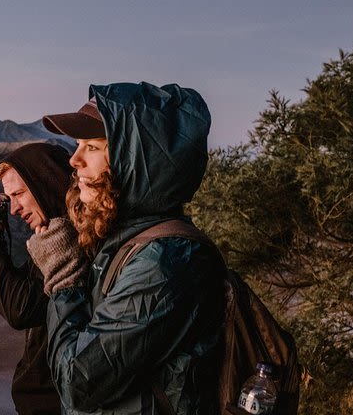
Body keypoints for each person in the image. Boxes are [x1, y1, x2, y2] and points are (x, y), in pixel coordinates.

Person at [27, 82, 226, 414]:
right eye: (77, 145)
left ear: (136, 159)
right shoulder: (123, 241)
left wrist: (64, 279)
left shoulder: (164, 262)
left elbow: (79, 383)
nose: (74, 160)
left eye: (92, 147)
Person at [0, 142, 76, 415]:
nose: (13, 208)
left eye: (18, 194)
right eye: (8, 197)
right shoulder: (49, 240)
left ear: (45, 185)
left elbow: (20, 308)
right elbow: (23, 292)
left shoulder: (69, 244)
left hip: (53, 404)